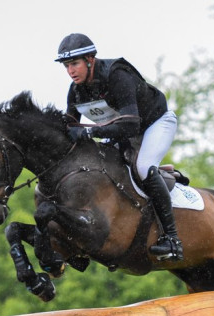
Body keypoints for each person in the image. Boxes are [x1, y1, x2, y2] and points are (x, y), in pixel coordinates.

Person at [54, 33, 183, 261]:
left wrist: (91, 132)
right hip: (121, 132)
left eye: (74, 64)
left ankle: (172, 240)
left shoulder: (117, 75)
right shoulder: (76, 91)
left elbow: (131, 125)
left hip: (153, 123)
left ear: (90, 60)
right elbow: (69, 127)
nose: (70, 71)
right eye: (66, 66)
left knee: (143, 167)